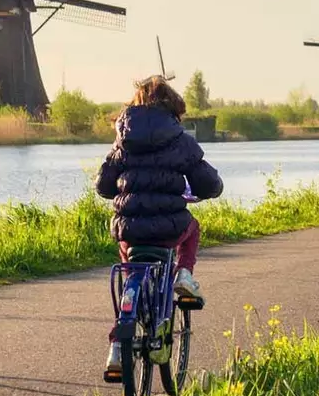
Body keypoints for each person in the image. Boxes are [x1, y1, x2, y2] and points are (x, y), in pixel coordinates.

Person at [95, 75, 223, 378]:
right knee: (192, 228)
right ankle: (185, 275)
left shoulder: (122, 141)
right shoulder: (180, 140)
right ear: (172, 109)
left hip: (131, 230)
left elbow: (103, 185)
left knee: (130, 276)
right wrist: (210, 189)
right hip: (170, 228)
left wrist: (125, 190)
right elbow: (207, 182)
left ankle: (117, 348)